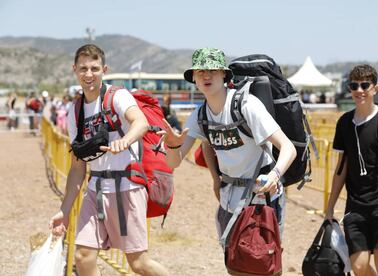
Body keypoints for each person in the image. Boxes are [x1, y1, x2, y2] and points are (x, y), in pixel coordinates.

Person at [160, 47, 296, 263]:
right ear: (193, 77)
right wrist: (173, 147)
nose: (206, 76)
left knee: (264, 262)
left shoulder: (246, 105)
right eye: (200, 71)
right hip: (229, 198)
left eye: (213, 70)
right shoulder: (199, 115)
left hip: (262, 197)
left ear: (224, 74)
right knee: (234, 262)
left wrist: (275, 175)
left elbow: (288, 147)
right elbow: (173, 163)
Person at [49, 44, 169, 276]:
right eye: (83, 68)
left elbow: (140, 122)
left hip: (127, 187)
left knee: (139, 264)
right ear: (74, 70)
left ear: (104, 69)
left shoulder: (117, 96)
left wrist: (126, 140)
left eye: (94, 68)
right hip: (95, 189)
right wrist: (63, 210)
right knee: (83, 258)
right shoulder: (75, 111)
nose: (88, 74)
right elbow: (77, 167)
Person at [325, 64, 378, 276]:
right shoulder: (344, 123)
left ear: (375, 89)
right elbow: (341, 169)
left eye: (365, 85)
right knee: (359, 266)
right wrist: (329, 207)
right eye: (354, 85)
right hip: (355, 207)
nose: (359, 90)